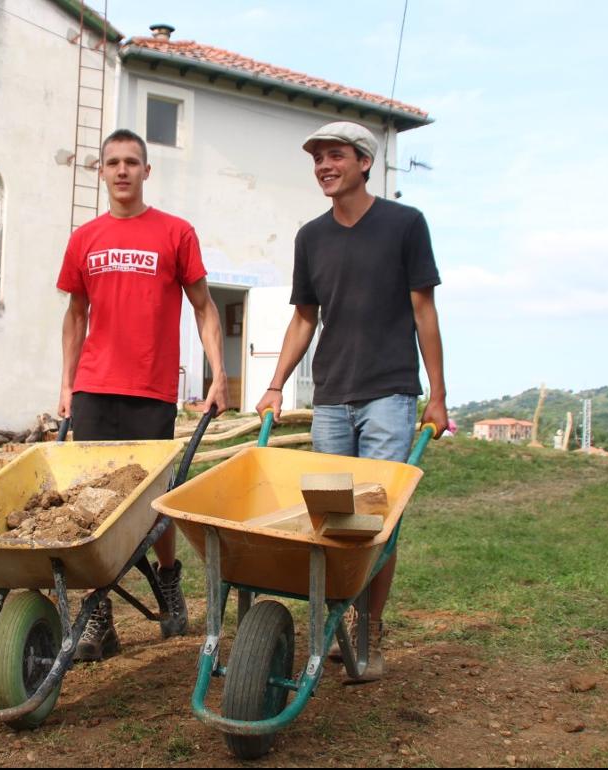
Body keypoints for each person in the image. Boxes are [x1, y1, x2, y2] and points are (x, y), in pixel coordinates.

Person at [254, 121, 447, 682]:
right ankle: (337, 620)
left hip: (389, 393)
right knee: (334, 520)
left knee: (378, 520)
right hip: (332, 397)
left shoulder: (405, 225)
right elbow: (304, 318)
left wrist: (437, 394)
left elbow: (424, 312)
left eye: (334, 156)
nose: (323, 166)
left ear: (364, 162)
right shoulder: (310, 237)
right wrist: (274, 384)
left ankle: (369, 626)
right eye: (317, 158)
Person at [56, 128, 229, 662]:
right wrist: (66, 383)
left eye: (133, 161)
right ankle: (99, 617)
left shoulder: (176, 233)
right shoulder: (84, 238)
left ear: (147, 171)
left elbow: (203, 307)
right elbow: (76, 315)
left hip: (151, 389)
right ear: (102, 172)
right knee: (92, 502)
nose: (123, 170)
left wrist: (218, 376)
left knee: (155, 503)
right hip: (94, 389)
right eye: (114, 162)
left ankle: (169, 578)